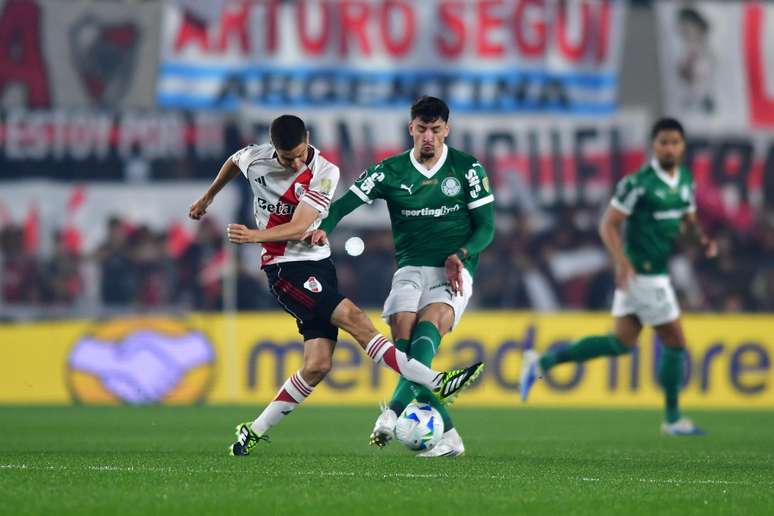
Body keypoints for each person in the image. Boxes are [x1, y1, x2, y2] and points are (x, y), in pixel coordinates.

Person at [187, 114, 485, 456]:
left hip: (319, 264)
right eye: (287, 158)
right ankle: (435, 381)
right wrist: (208, 196)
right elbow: (233, 162)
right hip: (285, 270)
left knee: (318, 365)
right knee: (356, 319)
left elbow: (300, 227)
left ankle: (251, 432)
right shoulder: (255, 158)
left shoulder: (325, 172)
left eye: (300, 153)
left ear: (308, 138)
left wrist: (253, 235)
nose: (296, 161)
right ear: (273, 150)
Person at [308, 97, 495, 457]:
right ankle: (447, 434)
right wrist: (325, 228)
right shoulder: (390, 171)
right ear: (411, 128)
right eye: (422, 129)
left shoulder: (466, 168)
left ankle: (392, 415)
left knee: (428, 329)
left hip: (453, 269)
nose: (429, 137)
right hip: (409, 267)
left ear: (446, 131)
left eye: (436, 130)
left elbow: (487, 227)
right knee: (403, 344)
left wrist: (462, 254)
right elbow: (346, 202)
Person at [519, 117, 718, 436]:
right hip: (642, 275)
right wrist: (622, 263)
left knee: (620, 343)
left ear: (682, 146)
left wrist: (701, 239)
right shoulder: (637, 183)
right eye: (663, 142)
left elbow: (688, 219)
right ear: (653, 146)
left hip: (654, 275)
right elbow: (608, 225)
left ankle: (542, 363)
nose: (669, 147)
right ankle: (672, 418)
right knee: (675, 340)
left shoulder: (683, 181)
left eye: (675, 142)